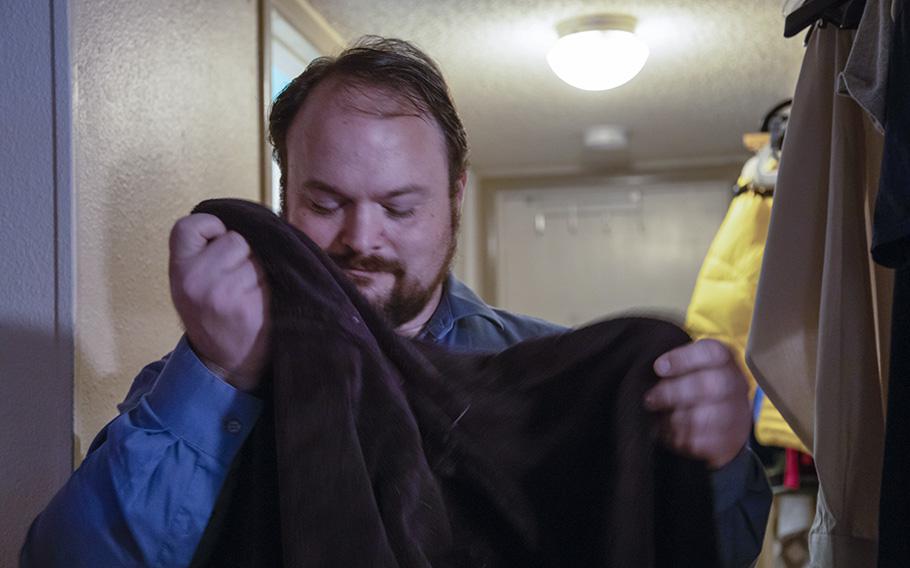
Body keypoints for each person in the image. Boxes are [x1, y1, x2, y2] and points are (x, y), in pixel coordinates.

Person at [22, 36, 771, 567]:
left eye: (399, 207)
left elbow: (723, 547)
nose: (361, 236)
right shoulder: (209, 379)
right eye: (326, 202)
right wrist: (220, 373)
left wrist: (719, 454)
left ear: (454, 199)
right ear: (285, 199)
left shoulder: (556, 379)